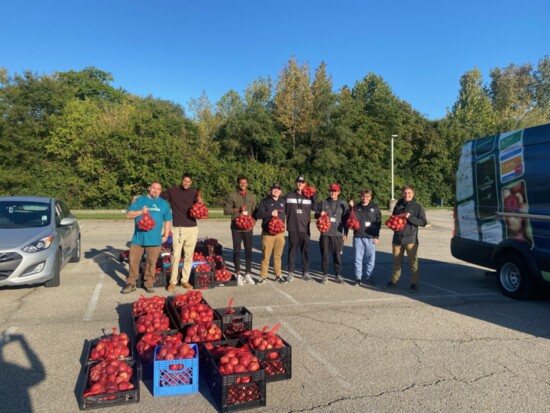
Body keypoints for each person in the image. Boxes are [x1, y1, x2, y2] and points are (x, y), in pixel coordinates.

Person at [122, 182, 172, 294]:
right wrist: (141, 211)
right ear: (149, 188)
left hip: (155, 239)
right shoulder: (139, 200)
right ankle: (131, 283)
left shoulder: (164, 204)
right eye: (154, 188)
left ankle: (149, 283)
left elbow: (167, 219)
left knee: (151, 263)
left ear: (160, 191)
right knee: (133, 262)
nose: (155, 190)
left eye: (158, 189)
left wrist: (166, 235)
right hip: (138, 238)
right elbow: (128, 214)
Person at [161, 173, 201, 292]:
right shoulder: (173, 191)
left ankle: (184, 280)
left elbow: (198, 208)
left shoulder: (194, 193)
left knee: (189, 256)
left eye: (189, 182)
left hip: (192, 228)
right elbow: (159, 196)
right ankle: (173, 281)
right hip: (178, 228)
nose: (186, 183)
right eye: (185, 181)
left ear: (191, 183)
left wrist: (200, 202)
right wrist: (143, 198)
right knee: (175, 255)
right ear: (181, 180)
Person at [384, 185, 427, 293]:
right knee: (396, 262)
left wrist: (410, 217)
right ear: (402, 194)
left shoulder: (417, 206)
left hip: (410, 239)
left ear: (413, 194)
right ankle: (393, 282)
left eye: (409, 193)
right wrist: (392, 224)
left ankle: (414, 284)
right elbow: (393, 218)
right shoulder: (398, 205)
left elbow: (423, 222)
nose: (407, 195)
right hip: (397, 238)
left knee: (413, 263)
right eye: (405, 193)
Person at [223, 175, 257, 286]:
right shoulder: (232, 195)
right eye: (241, 183)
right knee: (237, 251)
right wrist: (238, 209)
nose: (243, 184)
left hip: (248, 228)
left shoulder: (252, 196)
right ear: (238, 183)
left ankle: (247, 274)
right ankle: (238, 274)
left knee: (248, 251)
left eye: (245, 183)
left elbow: (255, 212)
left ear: (248, 184)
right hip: (236, 228)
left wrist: (253, 222)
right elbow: (226, 211)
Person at [347, 190, 381, 286]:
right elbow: (349, 218)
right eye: (363, 196)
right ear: (360, 196)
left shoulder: (375, 208)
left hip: (370, 237)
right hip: (358, 236)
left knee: (370, 259)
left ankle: (369, 277)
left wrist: (376, 236)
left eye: (367, 196)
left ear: (370, 197)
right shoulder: (356, 207)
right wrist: (351, 207)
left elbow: (378, 223)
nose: (364, 198)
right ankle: (358, 278)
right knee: (358, 259)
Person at [285, 176, 316, 281]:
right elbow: (282, 209)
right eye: (298, 182)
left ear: (305, 184)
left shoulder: (308, 196)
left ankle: (305, 272)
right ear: (295, 183)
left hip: (305, 228)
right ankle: (290, 272)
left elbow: (315, 208)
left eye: (302, 183)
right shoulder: (289, 195)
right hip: (293, 227)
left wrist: (314, 196)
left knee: (305, 251)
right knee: (292, 251)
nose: (300, 184)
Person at [255, 182, 287, 285]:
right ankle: (263, 276)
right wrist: (270, 213)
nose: (276, 191)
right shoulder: (265, 201)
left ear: (280, 191)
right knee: (266, 256)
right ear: (271, 190)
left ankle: (278, 275)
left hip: (280, 233)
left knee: (278, 256)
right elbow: (258, 214)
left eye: (278, 189)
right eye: (274, 189)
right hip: (267, 233)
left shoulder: (283, 201)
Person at [316, 184, 348, 284]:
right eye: (331, 190)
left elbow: (346, 220)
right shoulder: (324, 202)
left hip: (338, 234)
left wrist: (345, 233)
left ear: (339, 192)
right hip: (325, 234)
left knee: (337, 256)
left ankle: (337, 275)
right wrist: (319, 214)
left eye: (334, 191)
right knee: (325, 255)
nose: (332, 193)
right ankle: (324, 275)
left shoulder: (343, 203)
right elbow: (316, 214)